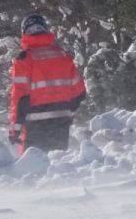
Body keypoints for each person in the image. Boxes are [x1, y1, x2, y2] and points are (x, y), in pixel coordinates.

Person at [9, 12, 86, 154]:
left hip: (35, 122)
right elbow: (79, 92)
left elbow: (20, 97)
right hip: (61, 120)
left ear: (24, 32)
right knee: (58, 161)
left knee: (32, 163)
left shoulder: (25, 59)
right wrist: (67, 110)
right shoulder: (63, 55)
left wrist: (15, 129)